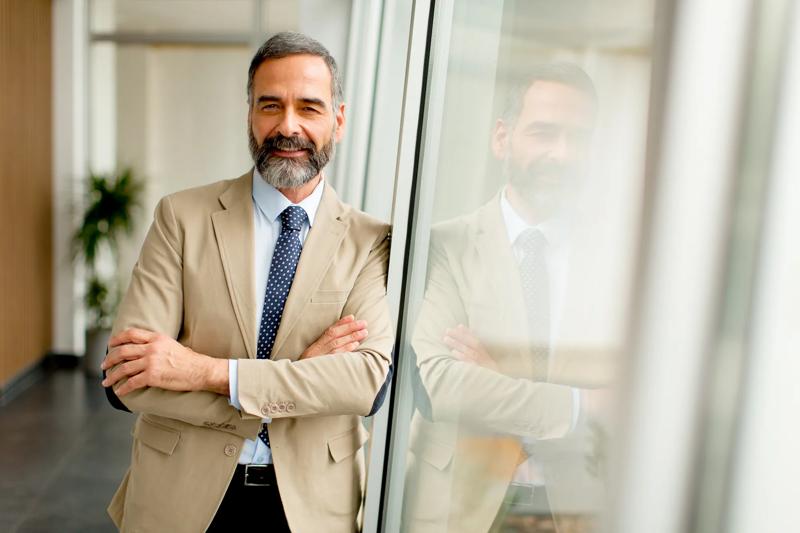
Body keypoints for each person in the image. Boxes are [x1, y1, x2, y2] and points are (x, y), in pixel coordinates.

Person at [100, 32, 394, 533]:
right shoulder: (182, 217)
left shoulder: (371, 240)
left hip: (312, 507)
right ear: (249, 115)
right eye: (270, 105)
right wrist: (295, 381)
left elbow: (365, 382)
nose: (288, 126)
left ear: (338, 121)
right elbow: (128, 380)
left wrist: (208, 373)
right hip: (181, 497)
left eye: (309, 107)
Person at [402, 64, 612, 533]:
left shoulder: (618, 262)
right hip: (460, 509)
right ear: (503, 137)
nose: (563, 153)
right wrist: (581, 406)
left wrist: (500, 379)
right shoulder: (443, 246)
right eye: (544, 133)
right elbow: (442, 386)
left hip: (578, 511)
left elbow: (636, 400)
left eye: (579, 138)